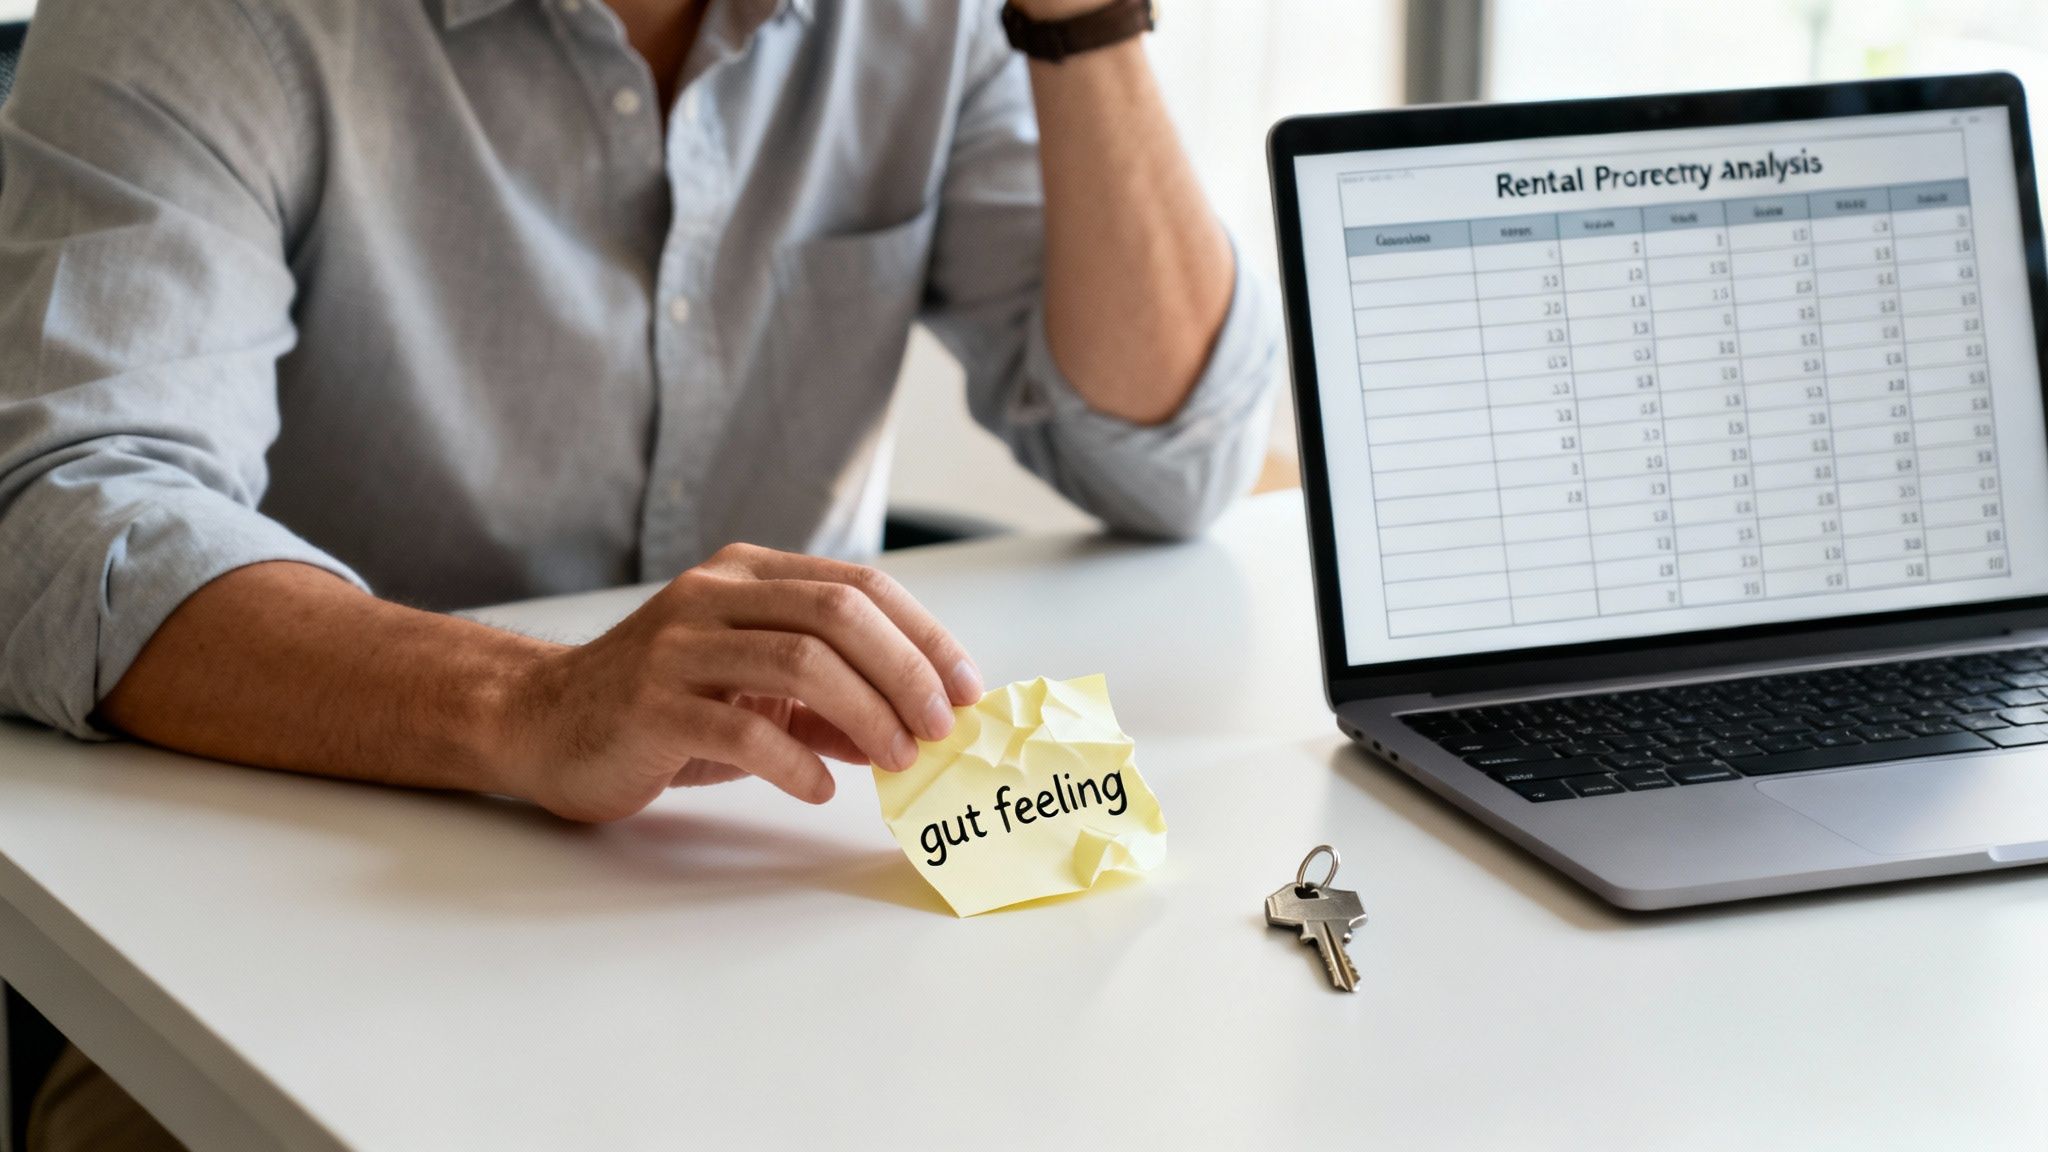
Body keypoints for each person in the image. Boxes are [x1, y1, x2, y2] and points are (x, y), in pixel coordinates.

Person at [0, 0, 1274, 1141]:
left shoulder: (926, 21)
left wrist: (1081, 19)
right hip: (295, 955)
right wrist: (527, 702)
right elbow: (58, 520)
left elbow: (1170, 458)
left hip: (793, 950)